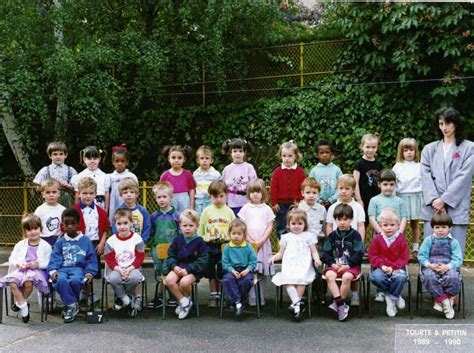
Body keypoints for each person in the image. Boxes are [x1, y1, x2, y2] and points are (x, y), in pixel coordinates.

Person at [420, 107, 473, 256]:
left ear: (456, 124)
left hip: (456, 207)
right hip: (433, 208)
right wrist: (435, 200)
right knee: (430, 251)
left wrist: (444, 200)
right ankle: (429, 278)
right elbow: (425, 175)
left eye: (448, 123)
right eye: (441, 123)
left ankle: (454, 278)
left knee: (455, 252)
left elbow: (464, 177)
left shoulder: (469, 148)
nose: (445, 127)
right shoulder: (429, 149)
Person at [47, 208, 98, 323]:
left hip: (78, 269)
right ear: (62, 225)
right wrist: (53, 270)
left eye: (73, 223)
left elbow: (91, 258)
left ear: (78, 224)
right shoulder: (60, 241)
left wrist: (90, 272)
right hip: (62, 269)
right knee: (60, 281)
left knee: (76, 280)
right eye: (67, 224)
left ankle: (70, 306)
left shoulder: (85, 241)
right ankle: (72, 305)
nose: (70, 226)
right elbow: (55, 258)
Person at [270, 208, 321, 321]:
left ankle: (296, 305)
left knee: (302, 279)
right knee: (287, 279)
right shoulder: (286, 237)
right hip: (290, 264)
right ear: (288, 224)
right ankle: (298, 304)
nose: (296, 226)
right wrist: (274, 257)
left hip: (303, 264)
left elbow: (314, 251)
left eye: (300, 223)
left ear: (305, 224)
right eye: (293, 223)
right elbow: (280, 253)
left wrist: (317, 259)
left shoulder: (309, 236)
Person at [0, 214, 52, 323]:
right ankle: (24, 306)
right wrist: (19, 264)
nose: (33, 232)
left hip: (37, 271)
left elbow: (50, 263)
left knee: (28, 282)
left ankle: (19, 303)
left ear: (40, 229)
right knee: (12, 283)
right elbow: (12, 259)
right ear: (25, 232)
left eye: (35, 228)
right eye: (29, 229)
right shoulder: (20, 244)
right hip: (21, 270)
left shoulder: (45, 245)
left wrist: (37, 264)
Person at [326, 174, 366, 306]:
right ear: (337, 189)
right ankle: (337, 298)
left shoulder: (358, 207)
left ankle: (354, 294)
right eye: (341, 188)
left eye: (347, 188)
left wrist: (360, 243)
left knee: (350, 270)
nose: (343, 191)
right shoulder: (333, 207)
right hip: (337, 243)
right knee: (338, 270)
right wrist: (331, 241)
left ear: (353, 190)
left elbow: (361, 226)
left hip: (353, 244)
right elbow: (330, 226)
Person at [164, 209, 209, 319]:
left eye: (191, 225)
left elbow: (202, 260)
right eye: (185, 225)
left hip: (193, 270)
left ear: (197, 226)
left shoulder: (200, 241)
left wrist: (188, 269)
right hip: (178, 267)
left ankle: (187, 300)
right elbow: (170, 255)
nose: (187, 228)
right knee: (169, 281)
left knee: (184, 282)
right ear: (180, 226)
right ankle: (184, 302)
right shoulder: (177, 240)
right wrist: (174, 266)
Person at [418, 212, 463, 320]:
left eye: (444, 227)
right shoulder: (428, 240)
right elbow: (422, 256)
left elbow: (458, 259)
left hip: (448, 266)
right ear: (433, 228)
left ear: (450, 228)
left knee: (452, 277)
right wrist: (429, 265)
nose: (440, 230)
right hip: (431, 266)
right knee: (429, 277)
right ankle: (446, 302)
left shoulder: (454, 242)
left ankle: (441, 299)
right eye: (437, 227)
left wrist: (448, 266)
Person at [323, 204, 364, 321]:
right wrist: (332, 264)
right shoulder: (332, 236)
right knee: (329, 276)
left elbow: (359, 254)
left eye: (345, 219)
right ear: (335, 220)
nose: (342, 222)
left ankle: (338, 304)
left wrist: (348, 265)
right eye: (339, 219)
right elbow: (325, 253)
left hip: (351, 266)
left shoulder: (356, 235)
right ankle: (341, 304)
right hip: (335, 266)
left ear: (351, 219)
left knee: (346, 277)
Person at [198, 180, 235, 307]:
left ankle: (223, 296)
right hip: (209, 245)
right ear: (210, 196)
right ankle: (214, 295)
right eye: (215, 196)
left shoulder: (229, 212)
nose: (218, 199)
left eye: (221, 196)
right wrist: (206, 238)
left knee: (223, 270)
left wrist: (230, 239)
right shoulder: (206, 211)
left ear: (226, 195)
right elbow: (200, 231)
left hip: (225, 246)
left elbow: (234, 229)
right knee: (210, 271)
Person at [237, 179, 275, 306]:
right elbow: (241, 226)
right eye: (252, 192)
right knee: (250, 270)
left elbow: (270, 227)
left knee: (261, 271)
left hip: (263, 244)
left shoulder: (267, 209)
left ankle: (261, 297)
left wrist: (261, 241)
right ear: (248, 193)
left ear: (263, 193)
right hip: (248, 243)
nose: (255, 195)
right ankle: (251, 298)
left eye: (258, 192)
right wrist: (250, 241)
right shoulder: (245, 208)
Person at [104, 208, 145, 317]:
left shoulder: (137, 239)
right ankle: (126, 300)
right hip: (116, 268)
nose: (122, 226)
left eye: (125, 223)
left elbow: (140, 258)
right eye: (119, 224)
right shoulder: (111, 240)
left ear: (131, 223)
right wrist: (119, 269)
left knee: (135, 278)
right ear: (115, 225)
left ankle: (120, 296)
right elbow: (109, 259)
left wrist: (129, 269)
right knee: (113, 278)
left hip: (133, 268)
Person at [368, 209, 409, 317]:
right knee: (375, 277)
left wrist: (393, 267)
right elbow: (373, 256)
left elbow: (404, 257)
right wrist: (382, 265)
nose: (389, 228)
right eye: (385, 225)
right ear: (380, 225)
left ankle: (392, 299)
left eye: (392, 225)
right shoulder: (377, 239)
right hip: (381, 268)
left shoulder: (401, 239)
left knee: (400, 277)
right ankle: (394, 294)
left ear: (398, 225)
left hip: (397, 268)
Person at [147, 181, 180, 308]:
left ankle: (173, 296)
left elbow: (180, 234)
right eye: (159, 197)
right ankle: (160, 297)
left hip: (172, 251)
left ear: (171, 197)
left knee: (170, 271)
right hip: (157, 249)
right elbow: (151, 233)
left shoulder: (177, 216)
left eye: (164, 196)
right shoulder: (154, 216)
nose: (161, 200)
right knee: (159, 272)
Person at [393, 138, 423, 254]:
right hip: (402, 198)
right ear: (401, 152)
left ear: (416, 151)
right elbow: (394, 183)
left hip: (416, 197)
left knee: (415, 224)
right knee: (402, 224)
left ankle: (416, 247)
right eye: (406, 150)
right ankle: (402, 247)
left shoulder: (419, 166)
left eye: (411, 150)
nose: (409, 152)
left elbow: (423, 182)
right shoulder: (397, 166)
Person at [222, 219, 258, 317]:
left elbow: (253, 261)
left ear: (244, 235)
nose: (236, 236)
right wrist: (232, 270)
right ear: (230, 234)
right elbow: (225, 263)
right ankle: (239, 302)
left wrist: (247, 270)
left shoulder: (248, 247)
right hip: (232, 270)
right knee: (227, 279)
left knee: (246, 281)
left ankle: (238, 302)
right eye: (234, 233)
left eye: (239, 233)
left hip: (245, 269)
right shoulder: (227, 248)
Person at [270, 140, 306, 237]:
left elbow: (303, 188)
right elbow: (273, 188)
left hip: (295, 205)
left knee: (296, 225)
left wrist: (300, 200)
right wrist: (274, 202)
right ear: (280, 156)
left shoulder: (300, 172)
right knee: (281, 227)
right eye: (284, 156)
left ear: (296, 157)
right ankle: (283, 247)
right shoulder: (277, 172)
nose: (287, 159)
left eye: (290, 156)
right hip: (281, 206)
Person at [33, 141, 77, 208]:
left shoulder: (70, 170)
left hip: (67, 201)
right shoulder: (45, 170)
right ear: (50, 155)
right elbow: (38, 188)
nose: (58, 157)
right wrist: (48, 185)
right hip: (50, 201)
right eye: (55, 154)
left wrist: (68, 186)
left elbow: (77, 189)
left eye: (61, 154)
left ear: (66, 155)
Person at [221, 138, 257, 215]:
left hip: (246, 203)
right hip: (231, 203)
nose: (238, 153)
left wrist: (253, 200)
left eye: (240, 151)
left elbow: (254, 185)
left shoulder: (249, 168)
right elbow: (223, 187)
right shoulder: (227, 169)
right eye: (235, 151)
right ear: (230, 152)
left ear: (245, 153)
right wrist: (224, 201)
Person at [353, 133, 383, 223]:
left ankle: (376, 238)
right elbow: (355, 183)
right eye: (367, 147)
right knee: (363, 222)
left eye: (373, 147)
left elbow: (382, 183)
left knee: (377, 222)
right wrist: (359, 199)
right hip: (363, 199)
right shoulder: (359, 164)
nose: (370, 150)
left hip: (377, 199)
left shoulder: (379, 165)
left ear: (377, 148)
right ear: (362, 147)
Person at [111, 177, 151, 244]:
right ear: (121, 195)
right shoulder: (118, 212)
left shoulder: (143, 211)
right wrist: (119, 240)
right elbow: (114, 228)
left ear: (137, 194)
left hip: (138, 244)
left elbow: (147, 227)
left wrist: (143, 241)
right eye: (125, 192)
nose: (129, 195)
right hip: (122, 244)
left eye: (132, 192)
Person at [368, 169, 408, 236]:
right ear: (379, 184)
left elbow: (404, 218)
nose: (389, 187)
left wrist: (399, 233)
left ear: (395, 184)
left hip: (396, 235)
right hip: (379, 235)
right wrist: (381, 233)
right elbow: (371, 219)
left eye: (391, 184)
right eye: (385, 184)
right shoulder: (374, 200)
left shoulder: (400, 201)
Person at [71, 146, 110, 212]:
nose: (92, 161)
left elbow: (106, 193)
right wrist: (77, 209)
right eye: (89, 158)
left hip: (99, 204)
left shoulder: (104, 176)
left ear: (99, 159)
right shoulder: (80, 176)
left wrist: (106, 208)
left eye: (95, 158)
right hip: (83, 204)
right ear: (84, 159)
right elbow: (77, 193)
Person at [107, 144, 138, 226]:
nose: (119, 163)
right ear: (113, 162)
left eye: (122, 161)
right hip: (115, 205)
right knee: (116, 223)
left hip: (128, 204)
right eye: (117, 161)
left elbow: (135, 193)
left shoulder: (131, 176)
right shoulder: (110, 177)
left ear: (127, 162)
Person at [159, 145, 196, 213]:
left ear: (184, 159)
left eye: (179, 158)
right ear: (169, 159)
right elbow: (161, 191)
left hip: (185, 200)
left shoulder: (188, 174)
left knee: (185, 219)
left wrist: (191, 205)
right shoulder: (165, 175)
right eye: (173, 157)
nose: (176, 160)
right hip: (170, 200)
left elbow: (192, 190)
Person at [309, 140, 342, 210]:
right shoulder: (314, 171)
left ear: (331, 154)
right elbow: (310, 187)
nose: (325, 155)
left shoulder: (337, 170)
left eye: (327, 152)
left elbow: (342, 187)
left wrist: (331, 200)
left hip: (335, 205)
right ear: (317, 155)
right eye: (321, 153)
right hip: (317, 205)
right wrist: (318, 200)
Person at [34, 178, 66, 246]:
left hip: (59, 239)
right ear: (43, 194)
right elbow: (35, 226)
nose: (51, 195)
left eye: (54, 192)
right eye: (48, 192)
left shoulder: (63, 210)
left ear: (59, 193)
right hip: (43, 240)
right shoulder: (39, 210)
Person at [193, 145, 221, 215]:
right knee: (199, 219)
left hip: (211, 200)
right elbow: (193, 188)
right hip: (199, 201)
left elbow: (219, 188)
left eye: (207, 158)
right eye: (202, 158)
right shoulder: (195, 174)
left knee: (211, 218)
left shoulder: (215, 174)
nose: (204, 160)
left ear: (211, 160)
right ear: (198, 160)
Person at [298, 177, 326, 242]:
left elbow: (324, 227)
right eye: (308, 192)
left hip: (319, 241)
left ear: (318, 194)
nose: (311, 195)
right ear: (302, 193)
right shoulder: (299, 209)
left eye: (314, 193)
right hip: (303, 241)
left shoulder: (322, 209)